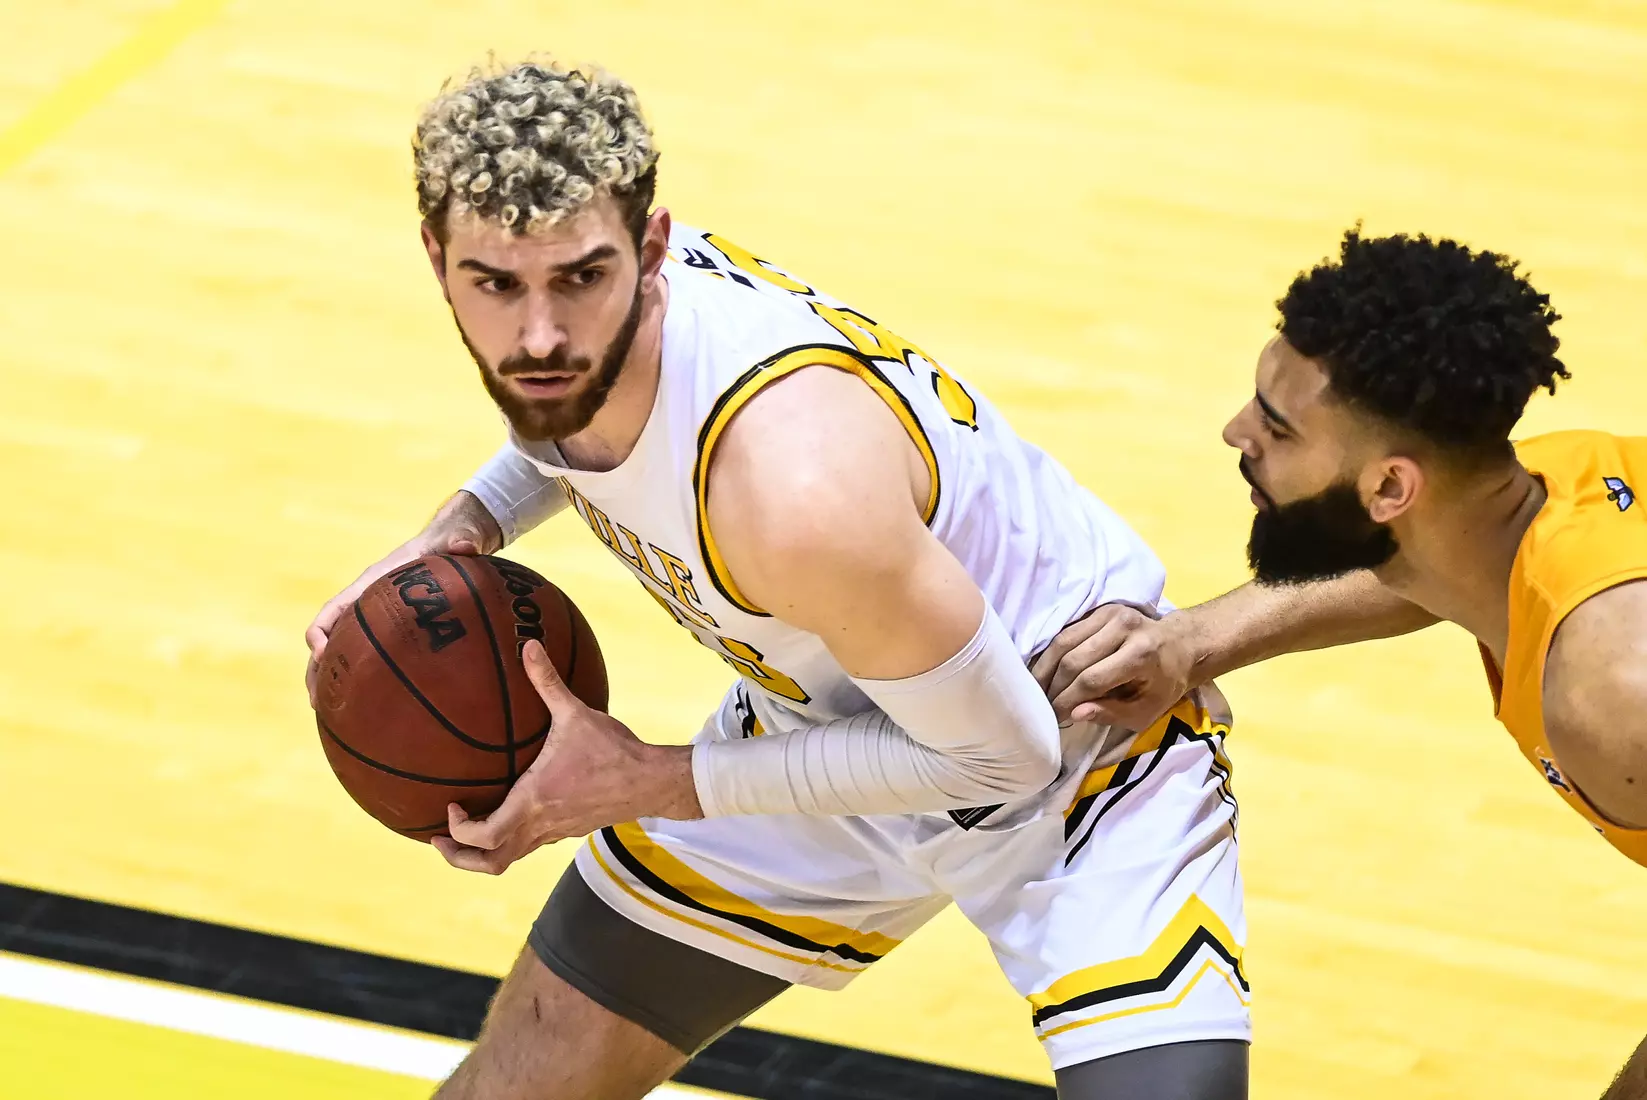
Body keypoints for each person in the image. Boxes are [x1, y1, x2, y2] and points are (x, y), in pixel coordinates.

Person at [304, 58, 1250, 1099]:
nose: (538, 334)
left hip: (1074, 742)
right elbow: (564, 423)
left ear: (651, 249)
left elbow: (1003, 754)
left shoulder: (792, 491)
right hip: (833, 721)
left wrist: (644, 779)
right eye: (496, 285)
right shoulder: (571, 340)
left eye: (581, 278)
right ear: (438, 259)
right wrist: (461, 530)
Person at [1032, 228, 1647, 1099]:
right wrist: (1188, 643)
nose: (1233, 431)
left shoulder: (1612, 695)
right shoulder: (1546, 494)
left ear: (1392, 488)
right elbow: (1412, 573)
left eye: (1275, 428)